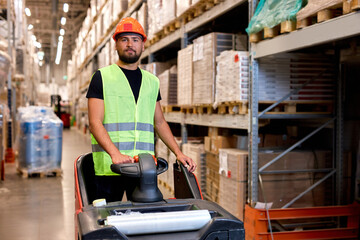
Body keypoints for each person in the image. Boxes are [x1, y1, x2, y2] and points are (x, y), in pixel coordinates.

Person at [86, 17, 196, 202]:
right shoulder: (102, 77)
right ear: (116, 44)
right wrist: (115, 154)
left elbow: (159, 122)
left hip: (142, 167)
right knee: (104, 221)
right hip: (109, 167)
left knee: (142, 220)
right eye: (124, 39)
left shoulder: (152, 81)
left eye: (135, 39)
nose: (130, 44)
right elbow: (94, 122)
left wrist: (179, 152)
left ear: (143, 45)